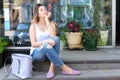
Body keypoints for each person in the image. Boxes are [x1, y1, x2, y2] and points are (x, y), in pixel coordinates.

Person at [29, 3, 80, 79]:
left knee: (56, 39)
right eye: (41, 10)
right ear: (37, 14)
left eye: (45, 9)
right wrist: (45, 42)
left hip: (48, 52)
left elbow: (53, 37)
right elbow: (33, 44)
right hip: (37, 53)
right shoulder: (33, 26)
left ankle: (51, 69)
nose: (44, 11)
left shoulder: (51, 23)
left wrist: (47, 20)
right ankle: (64, 68)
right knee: (46, 45)